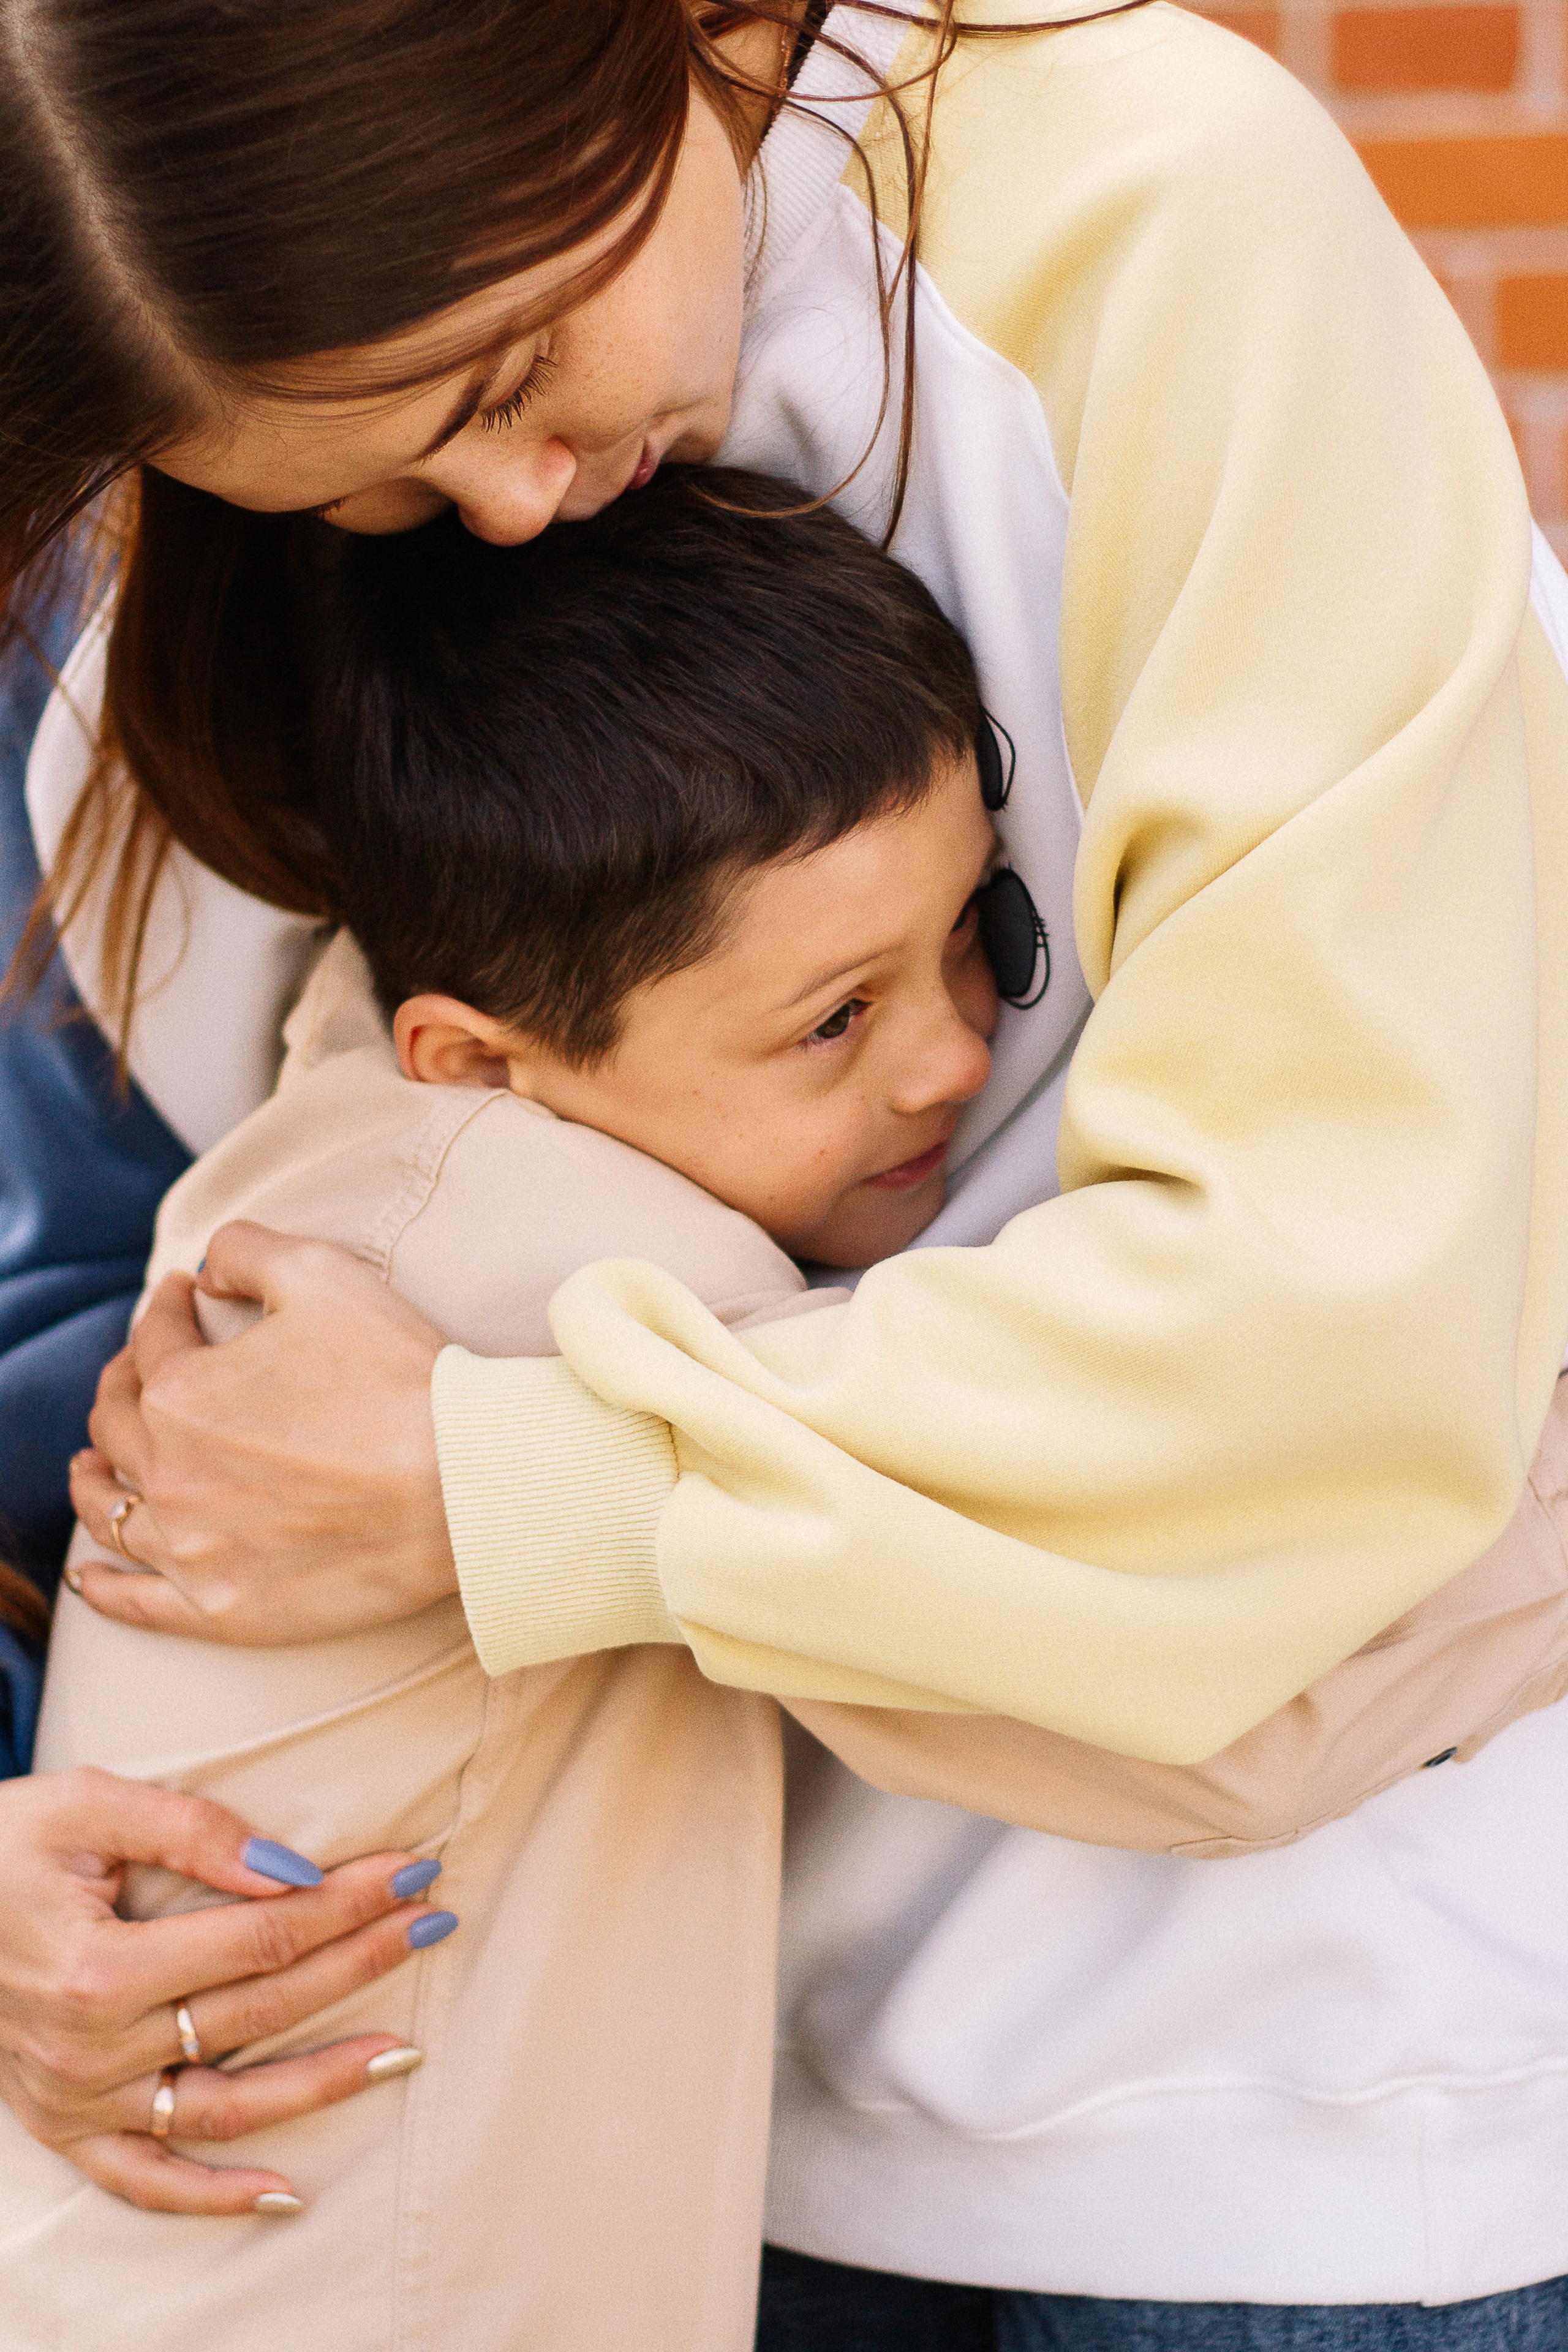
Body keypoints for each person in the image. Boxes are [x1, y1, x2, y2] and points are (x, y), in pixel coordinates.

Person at [4, 1, 1568, 2345]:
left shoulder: (1142, 227)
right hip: (623, 2116)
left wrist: (508, 1488)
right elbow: (113, 1314)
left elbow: (1319, 1349)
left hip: (1262, 2131)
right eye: (381, 491)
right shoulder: (193, 595)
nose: (517, 502)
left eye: (509, 364)